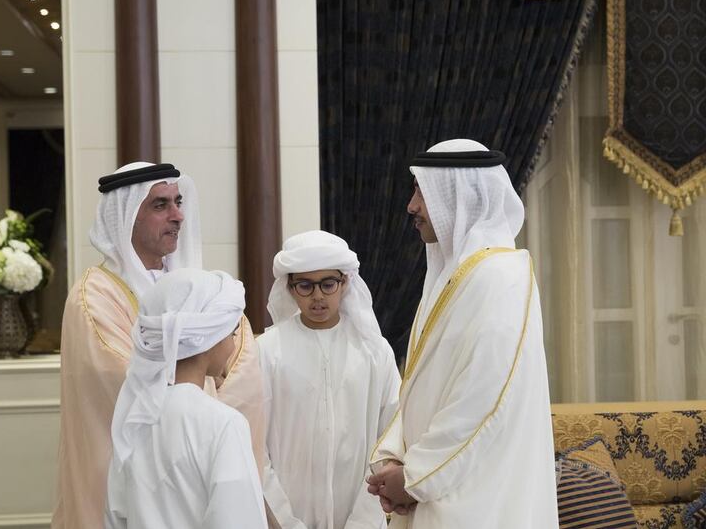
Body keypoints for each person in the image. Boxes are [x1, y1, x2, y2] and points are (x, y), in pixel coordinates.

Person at [52, 162, 265, 528]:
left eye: (178, 202)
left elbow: (242, 358)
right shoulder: (95, 295)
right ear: (126, 216)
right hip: (133, 478)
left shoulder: (193, 286)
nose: (178, 215)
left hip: (204, 462)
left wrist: (204, 416)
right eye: (160, 205)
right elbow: (123, 380)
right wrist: (201, 410)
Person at [367, 139, 558, 528]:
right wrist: (392, 458)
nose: (412, 206)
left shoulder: (502, 278)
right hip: (437, 487)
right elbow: (422, 388)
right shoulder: (452, 278)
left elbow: (481, 399)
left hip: (478, 497)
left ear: (455, 195)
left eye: (421, 190)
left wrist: (414, 477)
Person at [259, 230, 401, 529]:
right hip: (283, 520)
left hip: (363, 516)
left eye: (328, 284)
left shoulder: (374, 351)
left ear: (345, 282)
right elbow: (257, 448)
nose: (318, 296)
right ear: (290, 287)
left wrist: (364, 520)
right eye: (306, 286)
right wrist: (284, 521)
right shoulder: (267, 350)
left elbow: (390, 439)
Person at [104, 268, 267, 529]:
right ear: (209, 338)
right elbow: (239, 519)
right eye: (232, 333)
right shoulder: (223, 423)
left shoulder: (133, 418)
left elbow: (116, 518)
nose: (233, 346)